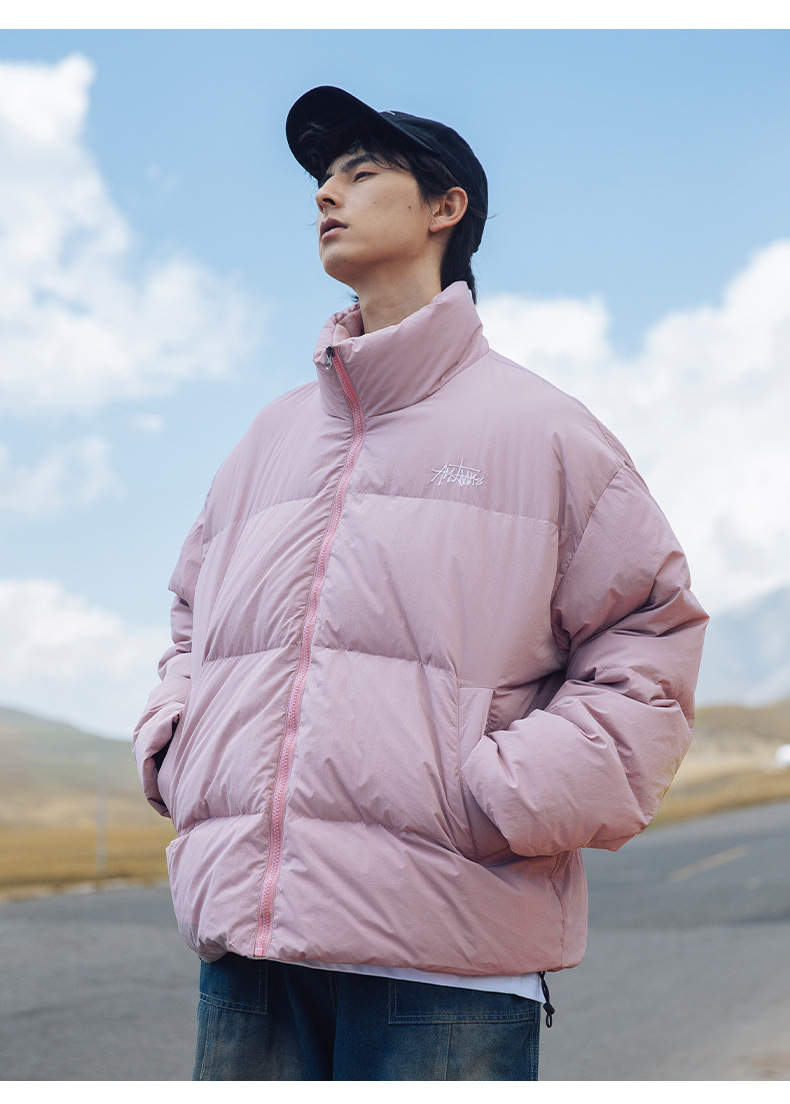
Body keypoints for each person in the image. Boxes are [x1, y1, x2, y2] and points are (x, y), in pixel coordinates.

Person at [133, 86, 708, 1081]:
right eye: (321, 178)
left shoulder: (544, 431)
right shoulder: (268, 439)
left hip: (445, 963)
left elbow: (648, 637)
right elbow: (192, 625)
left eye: (360, 173)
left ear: (446, 207)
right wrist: (180, 745)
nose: (325, 194)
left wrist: (506, 793)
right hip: (249, 957)